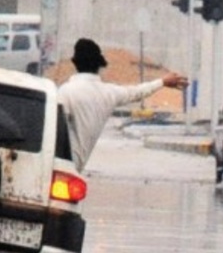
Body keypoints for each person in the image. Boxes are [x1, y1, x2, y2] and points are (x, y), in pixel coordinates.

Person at [56, 38, 188, 171]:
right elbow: (136, 92)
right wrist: (162, 82)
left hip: (58, 164)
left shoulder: (65, 92)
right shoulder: (109, 93)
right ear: (99, 65)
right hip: (74, 166)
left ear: (75, 64)